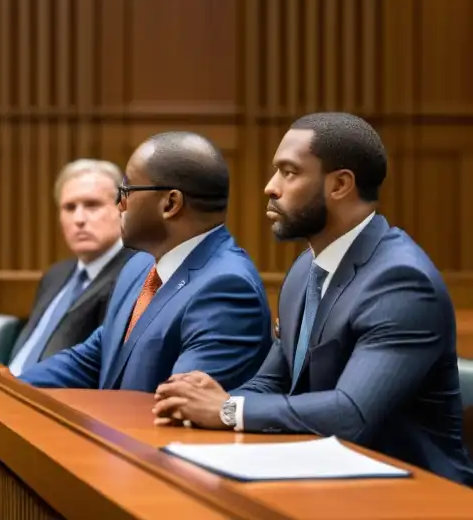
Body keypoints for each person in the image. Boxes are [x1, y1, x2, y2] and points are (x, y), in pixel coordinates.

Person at [152, 113, 473, 487]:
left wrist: (226, 409)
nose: (270, 187)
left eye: (289, 172)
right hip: (328, 480)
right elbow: (271, 382)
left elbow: (351, 414)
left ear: (339, 185)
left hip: (416, 494)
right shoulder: (307, 268)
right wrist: (201, 402)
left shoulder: (401, 281)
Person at [18, 132, 271, 391]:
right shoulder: (139, 266)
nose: (120, 205)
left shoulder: (226, 288)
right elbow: (92, 359)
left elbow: (183, 406)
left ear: (170, 203)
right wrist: (11, 390)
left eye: (126, 191)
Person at [7, 159, 136, 376]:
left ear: (122, 208)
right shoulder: (56, 275)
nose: (79, 219)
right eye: (69, 208)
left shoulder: (134, 275)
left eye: (92, 205)